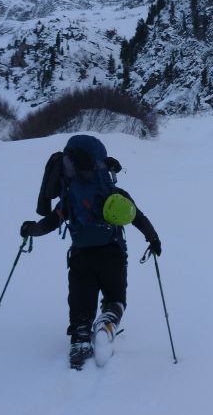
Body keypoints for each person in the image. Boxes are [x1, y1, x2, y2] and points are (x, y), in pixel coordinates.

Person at [20, 134, 161, 369]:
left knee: (81, 303)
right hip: (113, 254)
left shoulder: (69, 197)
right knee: (115, 299)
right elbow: (137, 217)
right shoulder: (114, 193)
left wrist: (30, 230)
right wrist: (153, 239)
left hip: (81, 257)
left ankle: (80, 338)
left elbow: (51, 222)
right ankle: (107, 323)